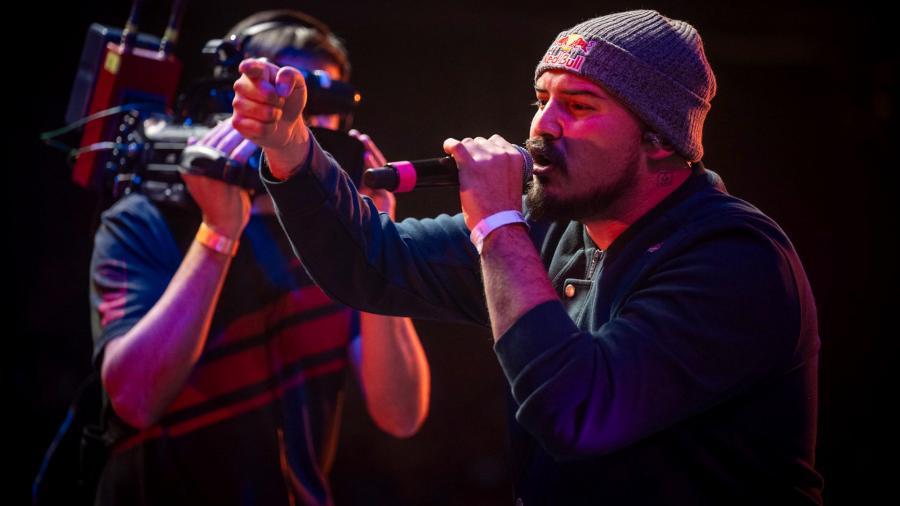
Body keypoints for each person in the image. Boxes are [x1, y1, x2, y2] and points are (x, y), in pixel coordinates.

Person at [233, 8, 823, 505]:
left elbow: (578, 413)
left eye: (579, 106)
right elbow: (371, 263)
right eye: (542, 100)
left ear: (660, 139)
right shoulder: (550, 228)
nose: (543, 127)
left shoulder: (733, 259)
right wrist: (289, 147)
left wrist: (496, 225)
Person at [89, 10, 429, 506]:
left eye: (318, 108)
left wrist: (375, 238)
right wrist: (218, 233)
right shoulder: (145, 221)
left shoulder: (339, 235)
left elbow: (401, 414)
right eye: (282, 104)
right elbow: (135, 402)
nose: (298, 126)